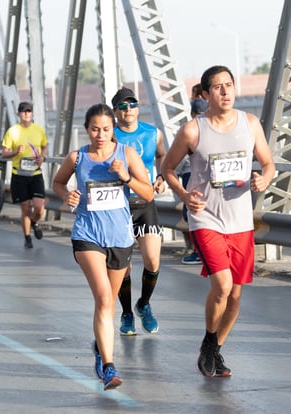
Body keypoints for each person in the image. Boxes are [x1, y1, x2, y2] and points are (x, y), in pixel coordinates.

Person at [162, 65, 275, 378]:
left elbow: (268, 164)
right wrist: (184, 196)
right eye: (218, 87)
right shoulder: (193, 130)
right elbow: (168, 169)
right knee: (222, 286)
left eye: (229, 85)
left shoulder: (250, 124)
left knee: (236, 296)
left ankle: (213, 349)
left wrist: (263, 179)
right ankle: (210, 342)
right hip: (206, 219)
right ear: (205, 94)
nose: (225, 92)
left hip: (240, 221)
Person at [52, 103, 153, 390]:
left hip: (120, 237)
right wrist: (68, 195)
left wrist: (127, 178)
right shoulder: (77, 157)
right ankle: (109, 367)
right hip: (87, 235)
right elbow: (58, 183)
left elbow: (148, 194)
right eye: (95, 129)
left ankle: (100, 345)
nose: (100, 134)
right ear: (86, 129)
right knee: (105, 298)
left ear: (113, 130)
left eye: (106, 129)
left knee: (106, 305)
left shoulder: (126, 154)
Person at [111, 86, 166, 335]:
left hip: (145, 202)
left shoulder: (153, 134)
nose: (128, 109)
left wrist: (162, 176)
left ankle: (143, 304)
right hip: (119, 206)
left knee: (152, 261)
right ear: (115, 112)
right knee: (125, 266)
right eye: (123, 106)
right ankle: (126, 313)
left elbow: (162, 156)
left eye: (132, 104)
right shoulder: (110, 136)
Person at [1, 102, 48, 248]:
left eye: (29, 111)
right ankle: (27, 237)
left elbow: (45, 145)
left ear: (32, 113)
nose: (26, 114)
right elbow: (4, 153)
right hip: (19, 174)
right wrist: (15, 152)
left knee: (39, 208)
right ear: (18, 114)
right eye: (23, 112)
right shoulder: (12, 131)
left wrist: (42, 157)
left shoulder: (38, 130)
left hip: (35, 173)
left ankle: (34, 222)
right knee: (25, 207)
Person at [179, 98, 209, 265]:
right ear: (191, 114)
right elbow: (175, 161)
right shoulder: (188, 132)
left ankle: (200, 252)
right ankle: (199, 251)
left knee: (198, 214)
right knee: (190, 214)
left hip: (204, 178)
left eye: (204, 114)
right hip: (189, 176)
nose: (201, 118)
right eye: (198, 115)